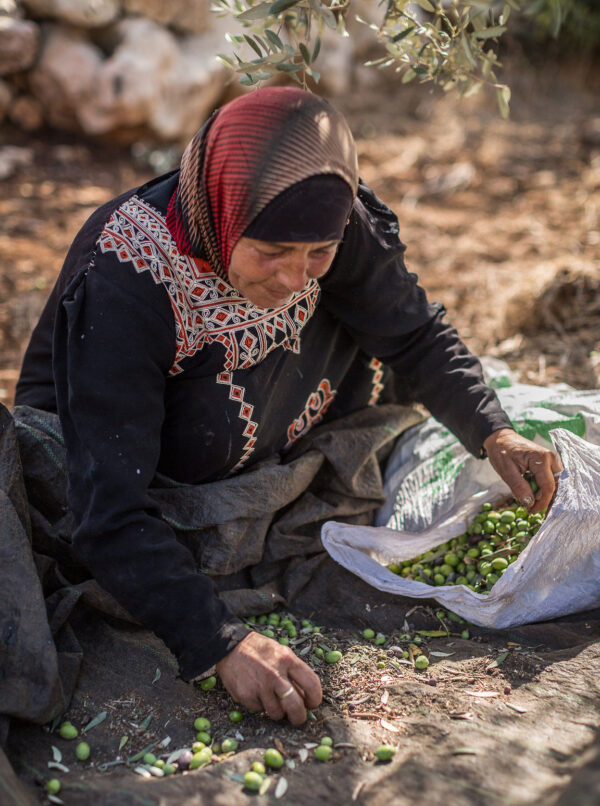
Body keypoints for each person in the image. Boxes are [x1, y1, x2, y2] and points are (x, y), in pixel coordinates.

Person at [15, 87, 561, 726]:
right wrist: (220, 642)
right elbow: (107, 508)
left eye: (317, 256)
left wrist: (493, 431)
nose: (293, 277)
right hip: (114, 463)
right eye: (270, 252)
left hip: (265, 430)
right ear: (221, 211)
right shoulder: (131, 277)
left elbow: (410, 333)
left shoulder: (331, 220)